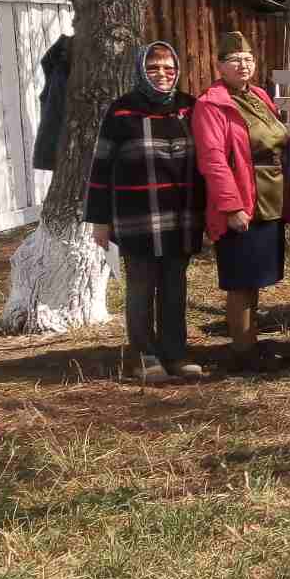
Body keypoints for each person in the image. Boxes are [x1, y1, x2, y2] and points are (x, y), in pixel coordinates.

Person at [85, 41, 206, 383]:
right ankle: (144, 355)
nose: (162, 74)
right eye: (154, 68)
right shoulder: (122, 111)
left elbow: (206, 162)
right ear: (141, 71)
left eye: (168, 68)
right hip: (137, 219)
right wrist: (99, 220)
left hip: (180, 219)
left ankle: (176, 352)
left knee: (174, 287)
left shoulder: (189, 107)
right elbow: (101, 167)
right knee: (141, 288)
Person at [192, 31, 290, 372]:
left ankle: (251, 342)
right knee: (240, 280)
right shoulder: (211, 104)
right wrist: (231, 206)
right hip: (242, 201)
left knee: (255, 277)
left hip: (270, 198)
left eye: (248, 59)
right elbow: (213, 159)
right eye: (234, 60)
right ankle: (242, 352)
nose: (243, 65)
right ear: (219, 65)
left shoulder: (260, 96)